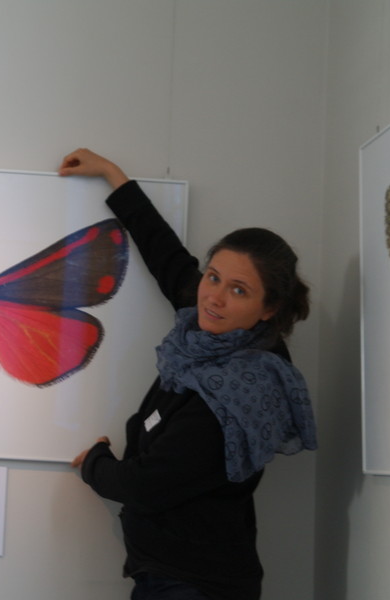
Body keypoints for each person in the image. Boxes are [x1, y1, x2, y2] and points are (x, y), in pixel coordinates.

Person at [59, 148, 317, 600]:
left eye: (239, 290)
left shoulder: (241, 389)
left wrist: (96, 463)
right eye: (213, 277)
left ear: (269, 308)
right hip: (173, 575)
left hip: (195, 584)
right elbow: (167, 257)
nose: (214, 297)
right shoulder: (212, 335)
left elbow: (146, 486)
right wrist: (113, 175)